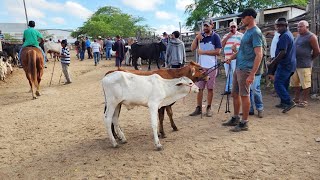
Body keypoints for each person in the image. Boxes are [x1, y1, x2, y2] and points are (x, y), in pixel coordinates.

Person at [222, 8, 263, 131]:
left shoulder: (255, 32)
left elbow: (259, 54)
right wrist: (231, 57)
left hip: (246, 69)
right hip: (239, 67)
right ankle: (236, 117)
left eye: (243, 17)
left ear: (250, 17)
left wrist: (252, 74)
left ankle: (244, 122)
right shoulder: (247, 32)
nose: (242, 20)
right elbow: (242, 51)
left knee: (244, 95)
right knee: (235, 93)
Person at [189, 20, 222, 117]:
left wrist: (203, 52)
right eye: (204, 26)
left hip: (212, 66)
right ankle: (198, 108)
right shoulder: (200, 37)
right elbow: (192, 48)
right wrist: (196, 38)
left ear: (212, 26)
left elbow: (218, 51)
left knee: (210, 88)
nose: (205, 28)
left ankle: (209, 107)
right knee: (200, 88)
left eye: (207, 26)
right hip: (201, 67)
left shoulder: (216, 37)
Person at [268, 18, 296, 111]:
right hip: (290, 64)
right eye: (277, 26)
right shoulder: (288, 34)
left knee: (278, 83)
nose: (278, 28)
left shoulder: (285, 36)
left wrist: (273, 62)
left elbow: (283, 52)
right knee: (284, 84)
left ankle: (289, 102)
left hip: (285, 64)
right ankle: (284, 103)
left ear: (286, 26)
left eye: (280, 26)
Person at [291, 20, 320, 107]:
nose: (299, 28)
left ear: (307, 27)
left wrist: (310, 58)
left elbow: (317, 51)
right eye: (298, 27)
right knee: (295, 83)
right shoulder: (298, 36)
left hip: (305, 65)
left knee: (305, 84)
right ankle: (296, 99)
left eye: (301, 26)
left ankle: (304, 101)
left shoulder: (311, 37)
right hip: (296, 64)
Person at [221, 21, 243, 95]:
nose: (233, 28)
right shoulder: (226, 35)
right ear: (229, 28)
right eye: (231, 27)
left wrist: (236, 49)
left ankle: (234, 89)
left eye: (234, 26)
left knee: (235, 73)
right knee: (228, 74)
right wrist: (228, 37)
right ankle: (228, 89)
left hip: (235, 57)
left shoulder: (240, 35)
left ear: (237, 27)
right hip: (227, 58)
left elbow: (243, 47)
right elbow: (222, 45)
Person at [249, 35, 267, 118]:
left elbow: (261, 54)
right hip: (247, 67)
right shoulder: (247, 36)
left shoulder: (258, 36)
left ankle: (260, 108)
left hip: (257, 68)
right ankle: (250, 109)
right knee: (248, 89)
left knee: (255, 88)